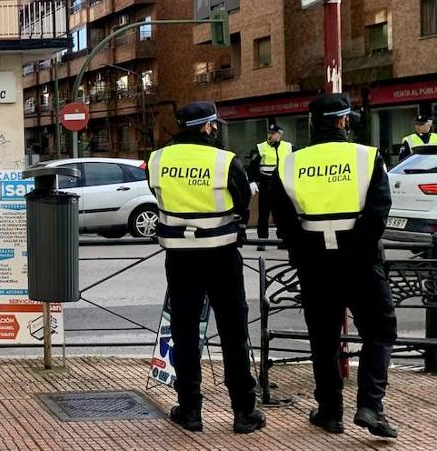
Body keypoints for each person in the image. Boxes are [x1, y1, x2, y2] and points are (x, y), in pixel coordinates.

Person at [275, 94, 397, 438]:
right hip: (360, 260)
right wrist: (358, 253)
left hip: (315, 262)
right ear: (345, 121)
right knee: (379, 330)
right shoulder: (367, 156)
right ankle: (371, 406)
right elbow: (378, 213)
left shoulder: (291, 163)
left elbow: (284, 221)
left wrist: (306, 254)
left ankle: (330, 412)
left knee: (323, 339)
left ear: (312, 123)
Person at [146, 102, 265, 435]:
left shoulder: (157, 159)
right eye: (212, 125)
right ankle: (243, 411)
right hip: (221, 255)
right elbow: (242, 201)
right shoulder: (224, 161)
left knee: (184, 332)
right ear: (206, 126)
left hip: (179, 257)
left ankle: (190, 410)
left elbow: (156, 194)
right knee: (233, 332)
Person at [246, 124, 291, 249]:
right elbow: (252, 168)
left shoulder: (289, 147)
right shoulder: (261, 148)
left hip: (282, 185)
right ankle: (262, 241)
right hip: (266, 184)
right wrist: (252, 181)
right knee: (264, 214)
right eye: (268, 133)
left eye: (272, 133)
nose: (269, 135)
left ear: (279, 135)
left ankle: (282, 240)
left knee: (281, 214)